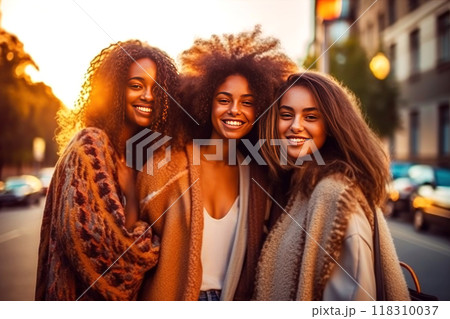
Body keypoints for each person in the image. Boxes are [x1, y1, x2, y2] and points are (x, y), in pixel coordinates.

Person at [137, 26, 297, 300]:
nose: (235, 110)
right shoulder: (167, 165)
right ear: (205, 102)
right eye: (224, 100)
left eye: (247, 102)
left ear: (259, 110)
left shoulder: (259, 176)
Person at [35, 40, 180, 300]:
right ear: (115, 89)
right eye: (136, 85)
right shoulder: (90, 145)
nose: (148, 95)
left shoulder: (137, 156)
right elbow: (112, 263)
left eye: (156, 89)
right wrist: (155, 243)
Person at [254, 72, 410, 301]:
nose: (295, 126)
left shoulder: (336, 193)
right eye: (286, 115)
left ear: (331, 125)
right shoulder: (300, 186)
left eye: (310, 117)